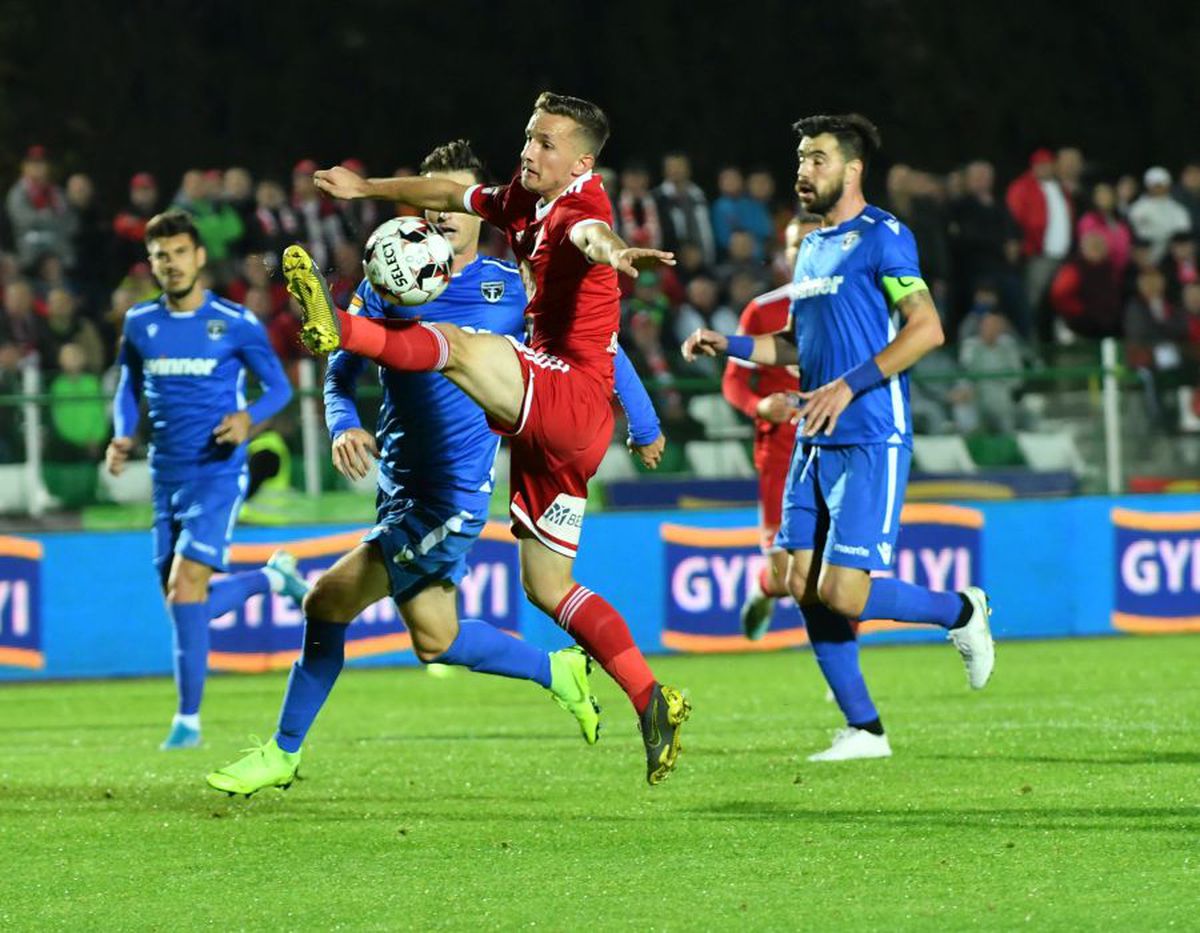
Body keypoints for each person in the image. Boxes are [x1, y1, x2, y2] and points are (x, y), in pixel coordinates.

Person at [207, 139, 666, 795]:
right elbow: (340, 371)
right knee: (435, 637)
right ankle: (556, 671)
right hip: (397, 480)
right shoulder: (387, 277)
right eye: (434, 198)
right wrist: (343, 424)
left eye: (454, 200)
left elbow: (594, 351)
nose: (444, 214)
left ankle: (282, 752)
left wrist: (643, 420)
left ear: (480, 211)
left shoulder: (510, 288)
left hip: (449, 493)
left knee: (325, 599)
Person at [683, 113, 995, 762]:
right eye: (801, 158)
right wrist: (731, 345)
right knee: (799, 581)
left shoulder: (886, 236)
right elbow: (794, 345)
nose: (804, 170)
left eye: (818, 158)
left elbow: (926, 329)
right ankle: (865, 730)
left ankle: (960, 612)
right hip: (813, 439)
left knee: (843, 591)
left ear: (853, 169)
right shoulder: (813, 247)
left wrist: (849, 385)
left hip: (870, 435)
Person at [105, 210, 305, 749]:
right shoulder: (140, 324)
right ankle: (273, 578)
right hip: (164, 476)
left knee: (184, 588)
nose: (169, 264)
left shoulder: (235, 321)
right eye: (159, 256)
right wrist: (123, 434)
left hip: (218, 471)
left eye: (177, 253)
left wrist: (248, 419)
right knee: (183, 602)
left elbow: (280, 389)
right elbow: (128, 388)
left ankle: (188, 722)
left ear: (198, 258)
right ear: (151, 264)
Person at [724, 213, 822, 640]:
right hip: (782, 450)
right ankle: (765, 590)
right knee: (786, 576)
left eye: (815, 242)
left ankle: (844, 673)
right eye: (796, 244)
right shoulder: (764, 311)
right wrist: (759, 405)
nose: (804, 252)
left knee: (839, 569)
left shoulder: (859, 305)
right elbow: (733, 382)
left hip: (839, 446)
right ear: (785, 253)